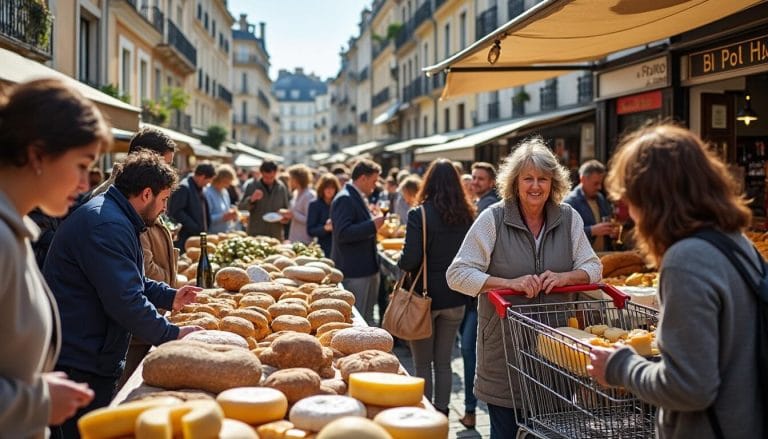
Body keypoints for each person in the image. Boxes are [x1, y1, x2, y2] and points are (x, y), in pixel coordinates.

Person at [588, 124, 763, 439]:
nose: (631, 215)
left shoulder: (687, 260)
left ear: (652, 198)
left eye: (631, 200)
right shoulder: (736, 243)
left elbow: (690, 387)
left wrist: (619, 367)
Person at [446, 137, 601, 439]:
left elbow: (594, 268)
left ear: (553, 182)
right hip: (505, 359)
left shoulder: (569, 218)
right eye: (527, 178)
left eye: (542, 179)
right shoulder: (493, 219)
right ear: (514, 182)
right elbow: (457, 274)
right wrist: (508, 283)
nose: (535, 186)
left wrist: (565, 277)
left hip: (557, 361)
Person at [44, 152, 202, 437]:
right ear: (146, 194)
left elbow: (130, 279)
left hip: (89, 350)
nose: (165, 208)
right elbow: (125, 300)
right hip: (81, 357)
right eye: (164, 200)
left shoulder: (114, 217)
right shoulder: (108, 225)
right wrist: (171, 334)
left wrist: (169, 296)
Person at [0, 79, 107, 437]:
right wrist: (39, 400)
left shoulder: (15, 230)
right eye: (81, 165)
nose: (85, 182)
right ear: (37, 154)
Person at [397, 159, 475, 417]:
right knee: (444, 362)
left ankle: (424, 416)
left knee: (422, 363)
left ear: (428, 182)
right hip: (456, 297)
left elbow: (410, 260)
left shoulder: (419, 214)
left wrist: (400, 257)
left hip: (424, 299)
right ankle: (442, 414)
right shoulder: (467, 215)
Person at [457, 160, 500, 429]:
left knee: (469, 347)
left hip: (482, 293)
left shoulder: (487, 206)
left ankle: (472, 408)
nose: (475, 182)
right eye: (473, 177)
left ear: (492, 182)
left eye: (480, 178)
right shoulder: (481, 203)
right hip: (480, 291)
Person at [331, 159, 385, 324]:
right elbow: (343, 233)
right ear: (363, 178)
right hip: (355, 270)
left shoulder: (353, 195)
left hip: (364, 268)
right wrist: (372, 225)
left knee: (366, 318)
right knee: (358, 320)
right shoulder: (345, 198)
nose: (375, 186)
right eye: (374, 181)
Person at [563, 159, 616, 252]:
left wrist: (612, 232)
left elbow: (607, 222)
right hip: (583, 260)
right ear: (583, 179)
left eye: (600, 183)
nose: (599, 187)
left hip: (604, 256)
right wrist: (592, 230)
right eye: (595, 184)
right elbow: (565, 234)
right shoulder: (570, 202)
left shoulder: (600, 198)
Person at [167, 162, 214, 250]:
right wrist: (196, 228)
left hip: (196, 237)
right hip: (186, 239)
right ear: (202, 177)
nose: (207, 185)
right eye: (207, 181)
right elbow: (177, 212)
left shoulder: (198, 187)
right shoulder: (184, 187)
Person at [239, 160, 290, 240]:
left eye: (272, 177)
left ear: (276, 173)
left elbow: (286, 209)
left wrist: (285, 218)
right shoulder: (252, 185)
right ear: (261, 173)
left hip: (275, 235)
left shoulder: (281, 187)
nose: (269, 180)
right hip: (256, 234)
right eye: (266, 177)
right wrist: (252, 199)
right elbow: (241, 208)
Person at [307, 173, 341, 257]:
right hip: (323, 248)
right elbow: (310, 230)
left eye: (332, 187)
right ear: (322, 188)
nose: (329, 190)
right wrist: (325, 228)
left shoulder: (340, 204)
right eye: (327, 187)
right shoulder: (314, 205)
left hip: (340, 247)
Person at [286, 164, 316, 243]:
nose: (289, 181)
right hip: (294, 238)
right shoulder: (296, 193)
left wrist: (293, 214)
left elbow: (310, 220)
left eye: (290, 178)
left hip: (305, 240)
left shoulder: (309, 195)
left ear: (297, 179)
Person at [204, 164, 239, 234]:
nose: (228, 185)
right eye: (226, 182)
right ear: (219, 180)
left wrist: (232, 213)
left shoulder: (224, 191)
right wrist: (223, 217)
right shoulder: (207, 193)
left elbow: (226, 209)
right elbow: (206, 219)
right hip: (212, 235)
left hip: (225, 233)